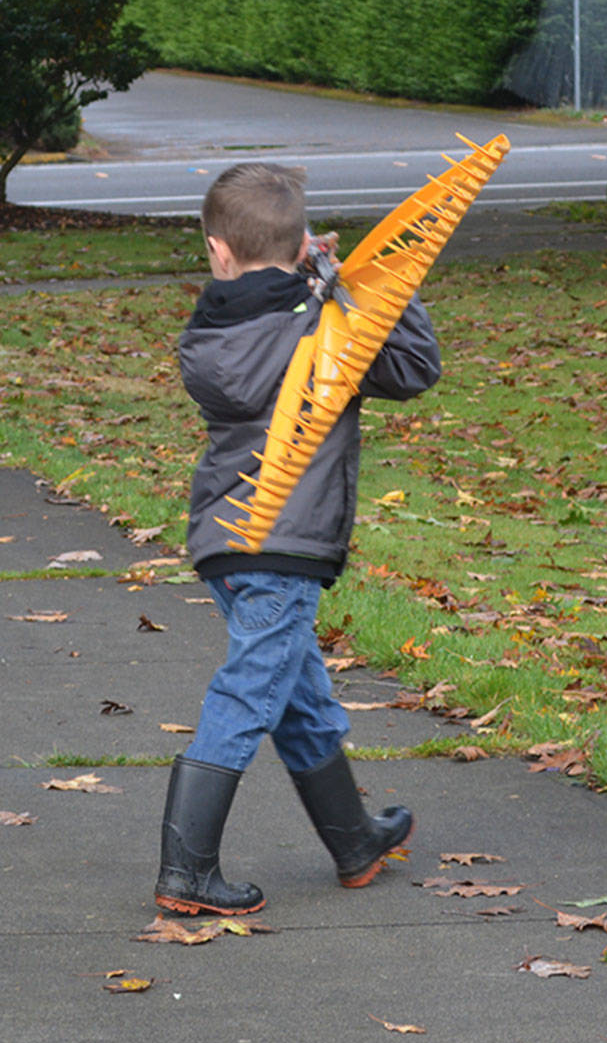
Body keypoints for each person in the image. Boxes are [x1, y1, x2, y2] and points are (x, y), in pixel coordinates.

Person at [155, 162, 439, 917]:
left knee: (299, 696)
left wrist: (313, 285)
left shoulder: (207, 333)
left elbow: (261, 334)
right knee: (250, 691)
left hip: (226, 540)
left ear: (218, 251)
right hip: (285, 545)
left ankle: (354, 840)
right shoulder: (328, 332)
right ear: (301, 241)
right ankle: (186, 869)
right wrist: (364, 288)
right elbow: (414, 368)